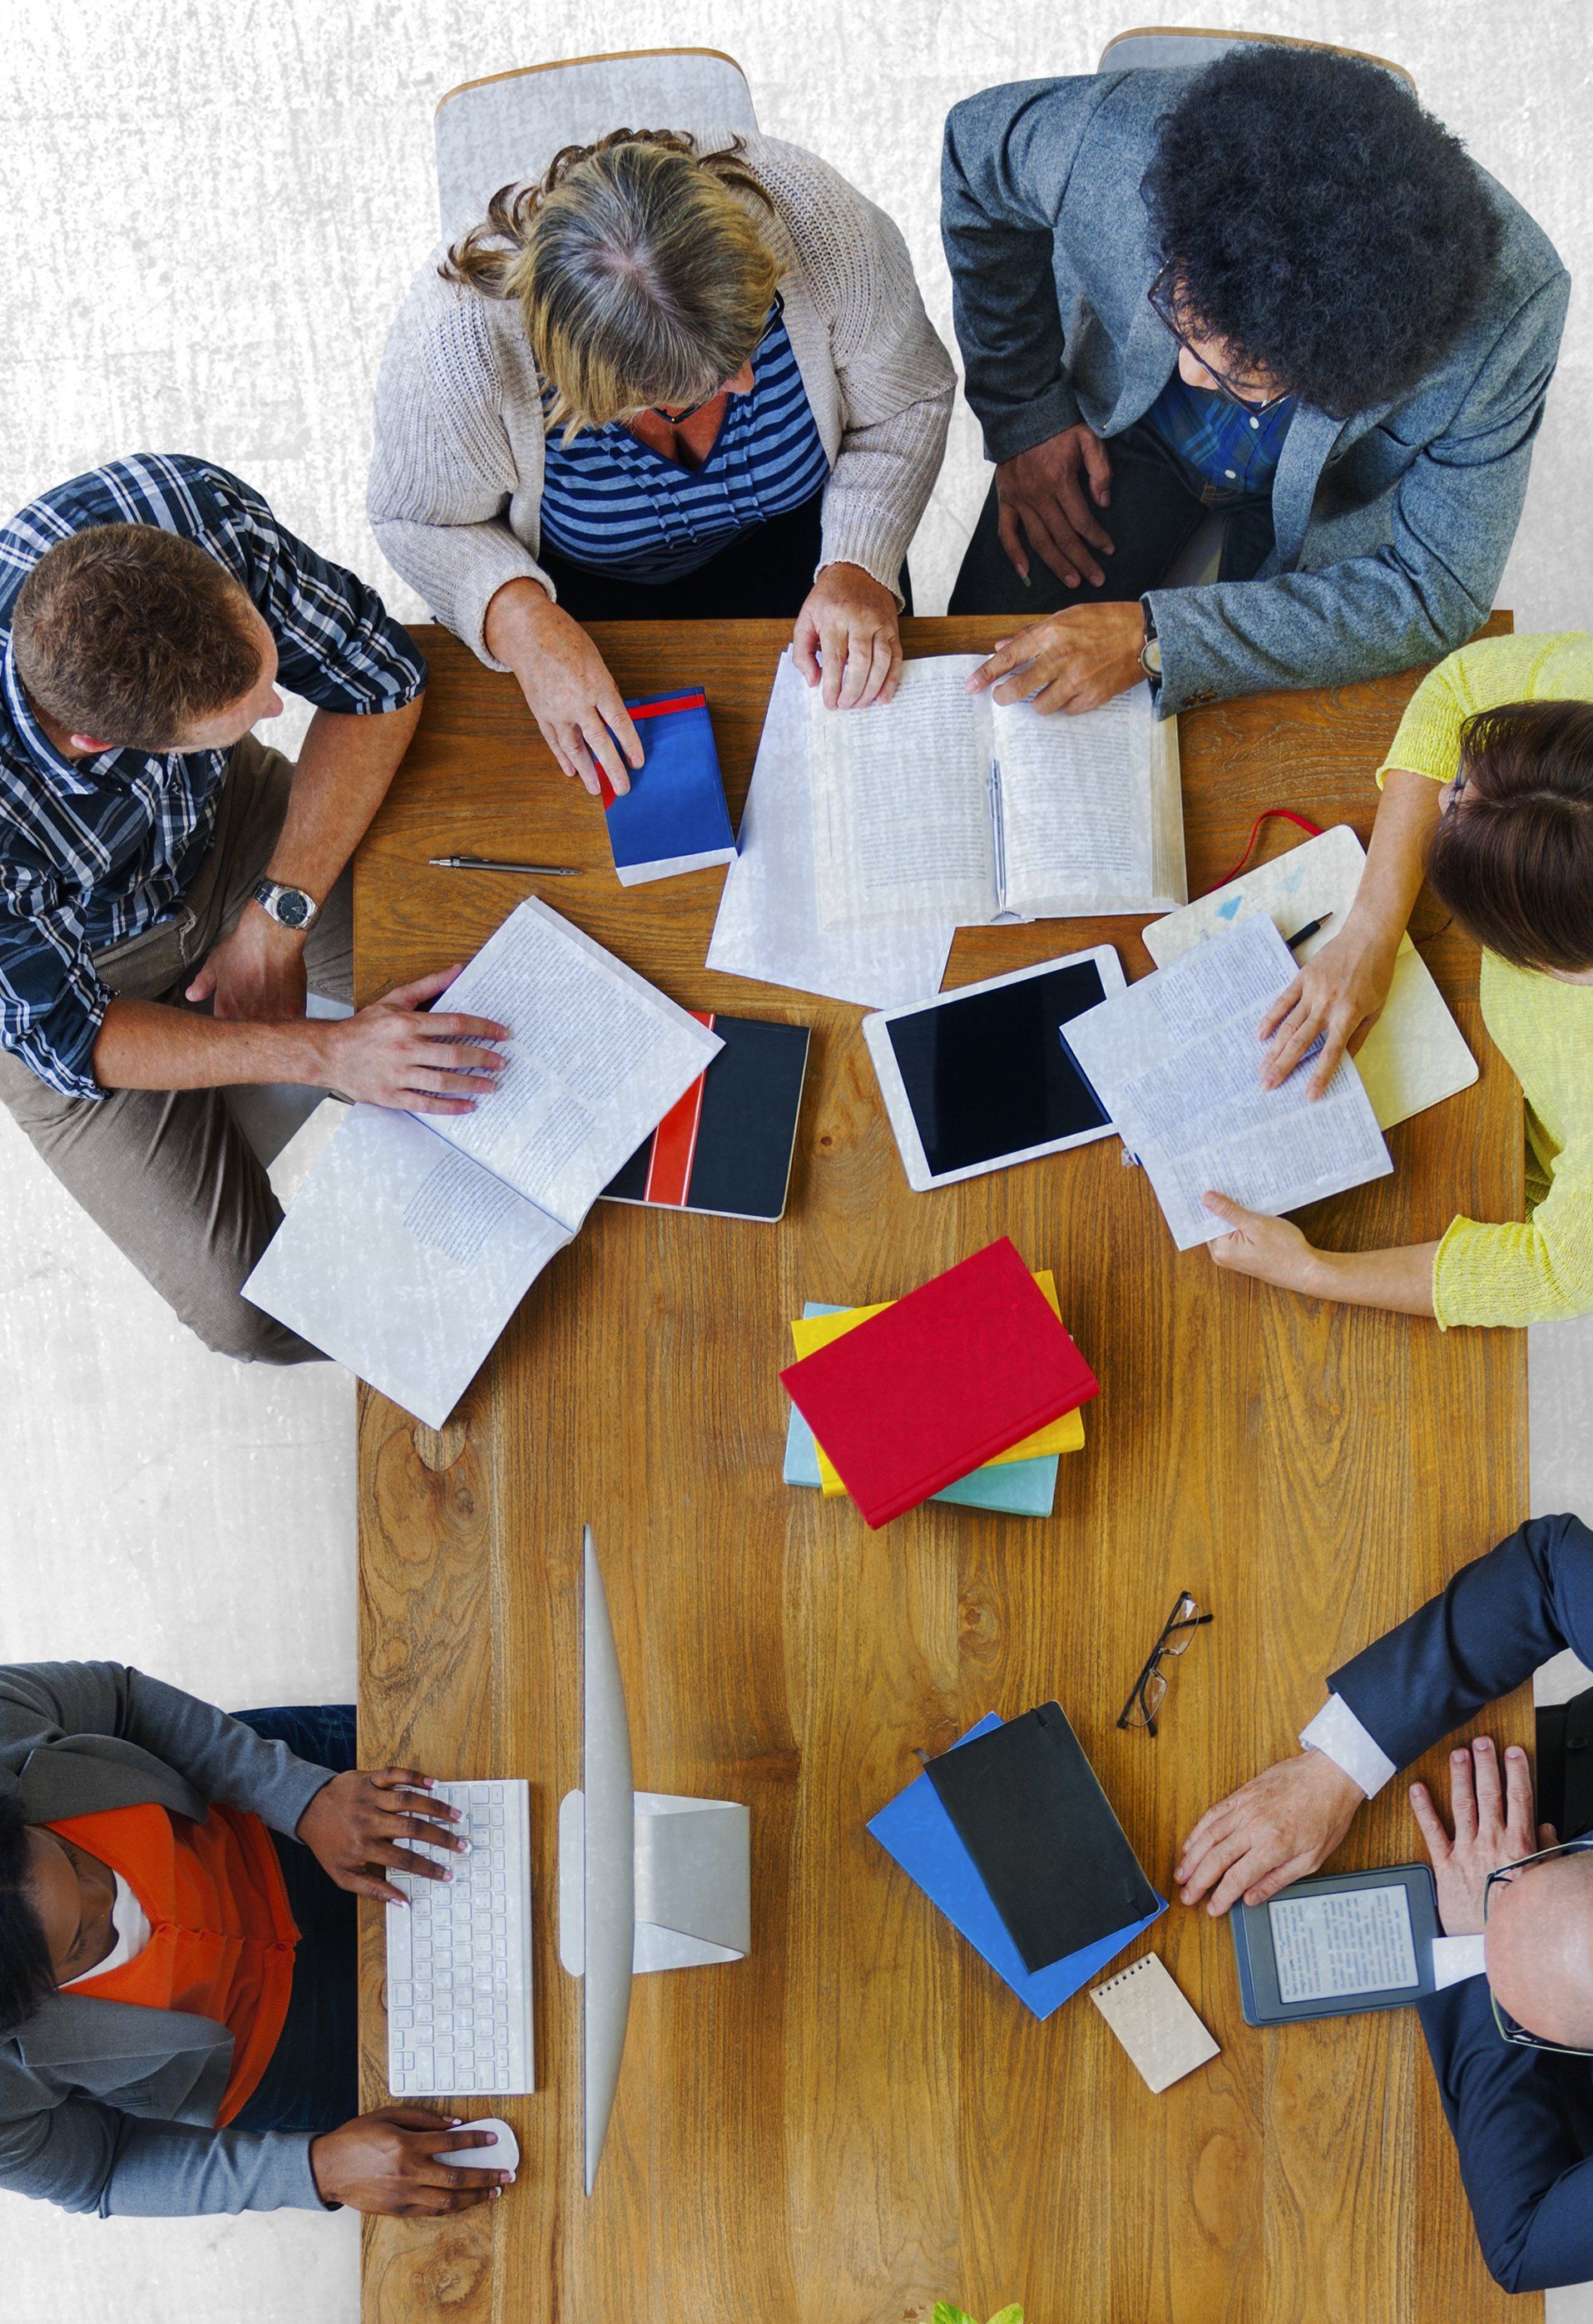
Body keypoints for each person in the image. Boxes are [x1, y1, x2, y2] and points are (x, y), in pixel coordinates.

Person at [0, 452, 510, 1363]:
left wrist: (278, 915)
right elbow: (77, 1040)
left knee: (496, 995)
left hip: (225, 837)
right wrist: (328, 1053)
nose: (281, 703)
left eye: (266, 678)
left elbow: (380, 682)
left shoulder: (184, 512)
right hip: (78, 984)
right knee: (250, 1311)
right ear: (99, 743)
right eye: (249, 714)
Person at [940, 47, 1568, 720]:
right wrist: (1024, 410)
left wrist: (1159, 641)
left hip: (1327, 509)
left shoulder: (1512, 309)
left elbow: (1435, 587)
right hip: (1112, 420)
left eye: (1235, 375)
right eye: (1178, 312)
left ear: (1342, 373)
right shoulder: (1109, 141)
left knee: (1257, 739)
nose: (1186, 371)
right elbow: (976, 155)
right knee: (980, 661)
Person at [368, 127, 955, 794]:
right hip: (581, 592)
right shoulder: (457, 347)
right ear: (590, 388)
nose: (746, 385)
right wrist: (518, 618)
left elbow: (906, 400)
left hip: (805, 541)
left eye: (754, 335)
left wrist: (859, 563)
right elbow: (417, 519)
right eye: (690, 393)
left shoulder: (821, 227)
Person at [1176, 1513, 1593, 2293]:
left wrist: (1478, 1946)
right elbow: (1547, 1566)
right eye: (1522, 1878)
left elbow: (1523, 2243)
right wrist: (1337, 1770)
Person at [0, 1657, 512, 2218]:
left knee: (516, 1739)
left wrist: (300, 1794)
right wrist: (321, 2170)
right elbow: (103, 2171)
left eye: (74, 1858)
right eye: (85, 1939)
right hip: (285, 2055)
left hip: (276, 1808)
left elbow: (122, 1700)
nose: (115, 1893)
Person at [1200, 633, 1593, 1328]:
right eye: (1464, 783)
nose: (1441, 795)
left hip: (1510, 1154)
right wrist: (1371, 931)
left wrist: (1310, 1269)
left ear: (1555, 965)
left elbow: (1557, 1270)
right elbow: (1458, 688)